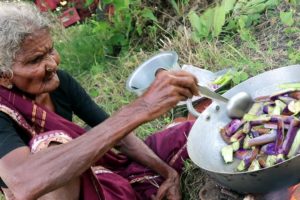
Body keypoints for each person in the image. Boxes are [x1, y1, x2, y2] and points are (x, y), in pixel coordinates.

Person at [0, 2, 199, 200]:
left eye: (50, 51)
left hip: (87, 174)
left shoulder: (60, 82)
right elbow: (25, 182)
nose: (52, 64)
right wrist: (141, 108)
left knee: (189, 135)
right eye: (35, 60)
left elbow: (119, 137)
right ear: (4, 76)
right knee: (49, 146)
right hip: (51, 191)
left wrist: (168, 173)